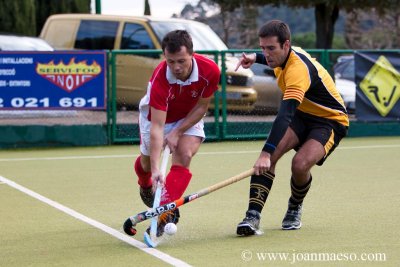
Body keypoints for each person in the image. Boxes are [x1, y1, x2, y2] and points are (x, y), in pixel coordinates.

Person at [235, 20, 349, 236]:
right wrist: (255, 58)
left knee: (299, 165)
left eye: (271, 49)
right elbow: (272, 60)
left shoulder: (298, 71)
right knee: (273, 156)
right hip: (303, 114)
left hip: (329, 120)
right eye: (262, 48)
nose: (266, 54)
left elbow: (285, 115)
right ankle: (252, 216)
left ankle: (295, 205)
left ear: (286, 45)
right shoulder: (284, 56)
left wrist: (265, 153)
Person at [134, 30, 220, 237]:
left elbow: (201, 107)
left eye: (181, 61)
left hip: (188, 116)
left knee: (185, 154)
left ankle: (163, 215)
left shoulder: (210, 70)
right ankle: (145, 182)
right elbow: (157, 127)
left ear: (192, 54)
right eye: (170, 61)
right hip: (155, 118)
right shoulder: (160, 79)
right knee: (146, 165)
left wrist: (178, 132)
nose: (176, 67)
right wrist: (155, 169)